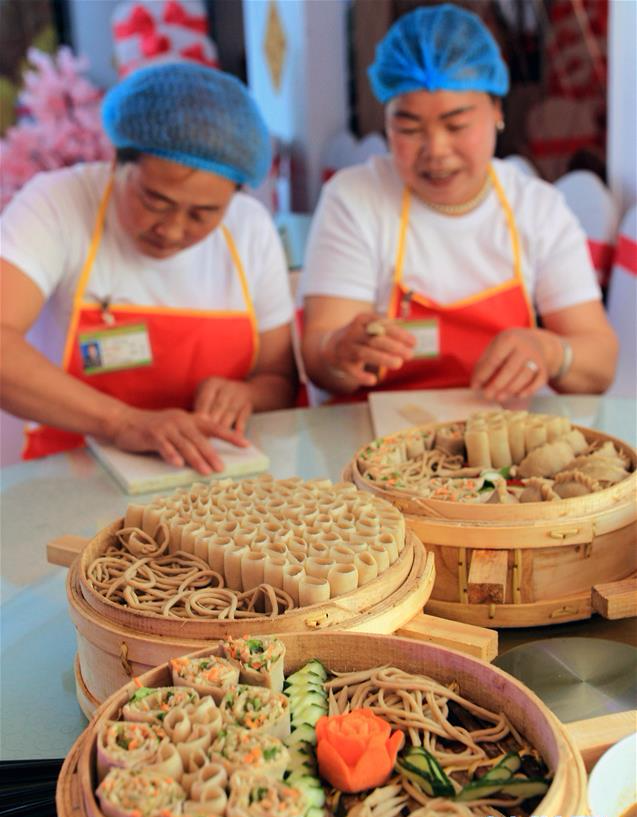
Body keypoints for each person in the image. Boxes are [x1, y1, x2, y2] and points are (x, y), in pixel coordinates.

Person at [301, 4, 617, 403]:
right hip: (372, 443)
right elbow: (318, 360)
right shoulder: (355, 199)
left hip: (498, 442)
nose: (436, 150)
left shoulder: (537, 209)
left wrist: (552, 352)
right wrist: (337, 351)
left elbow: (600, 362)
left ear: (497, 112)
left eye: (457, 125)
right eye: (408, 127)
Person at [0, 63, 296, 474]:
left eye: (204, 214)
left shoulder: (251, 229)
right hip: (67, 471)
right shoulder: (56, 204)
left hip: (214, 477)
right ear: (117, 162)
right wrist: (122, 422)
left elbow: (279, 379)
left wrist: (247, 395)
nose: (173, 230)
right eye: (155, 201)